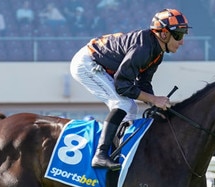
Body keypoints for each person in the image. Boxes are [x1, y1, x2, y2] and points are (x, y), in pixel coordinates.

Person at [70, 8, 189, 170]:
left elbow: (143, 83)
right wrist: (154, 100)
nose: (182, 41)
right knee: (123, 104)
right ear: (164, 34)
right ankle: (101, 154)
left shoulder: (157, 53)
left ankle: (118, 153)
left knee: (130, 107)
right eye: (179, 35)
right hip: (87, 63)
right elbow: (122, 86)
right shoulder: (143, 49)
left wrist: (157, 106)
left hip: (100, 63)